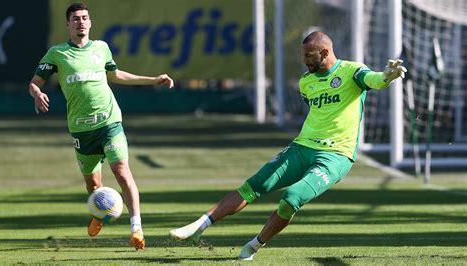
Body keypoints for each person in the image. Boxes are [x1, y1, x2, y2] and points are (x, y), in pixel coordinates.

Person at [169, 31, 407, 260]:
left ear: (325, 52)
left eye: (308, 56)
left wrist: (387, 76)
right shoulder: (306, 82)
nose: (304, 61)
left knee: (292, 197)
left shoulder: (352, 71)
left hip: (336, 155)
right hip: (301, 147)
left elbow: (373, 80)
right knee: (254, 185)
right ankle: (199, 226)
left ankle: (255, 244)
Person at [29, 3, 174, 251]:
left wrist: (152, 80)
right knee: (94, 186)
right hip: (81, 130)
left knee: (121, 169)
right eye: (75, 19)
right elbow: (34, 83)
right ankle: (98, 213)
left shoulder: (101, 48)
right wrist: (36, 92)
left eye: (85, 18)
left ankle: (136, 228)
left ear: (90, 22)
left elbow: (116, 75)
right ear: (68, 24)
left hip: (109, 121)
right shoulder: (57, 53)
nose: (81, 22)